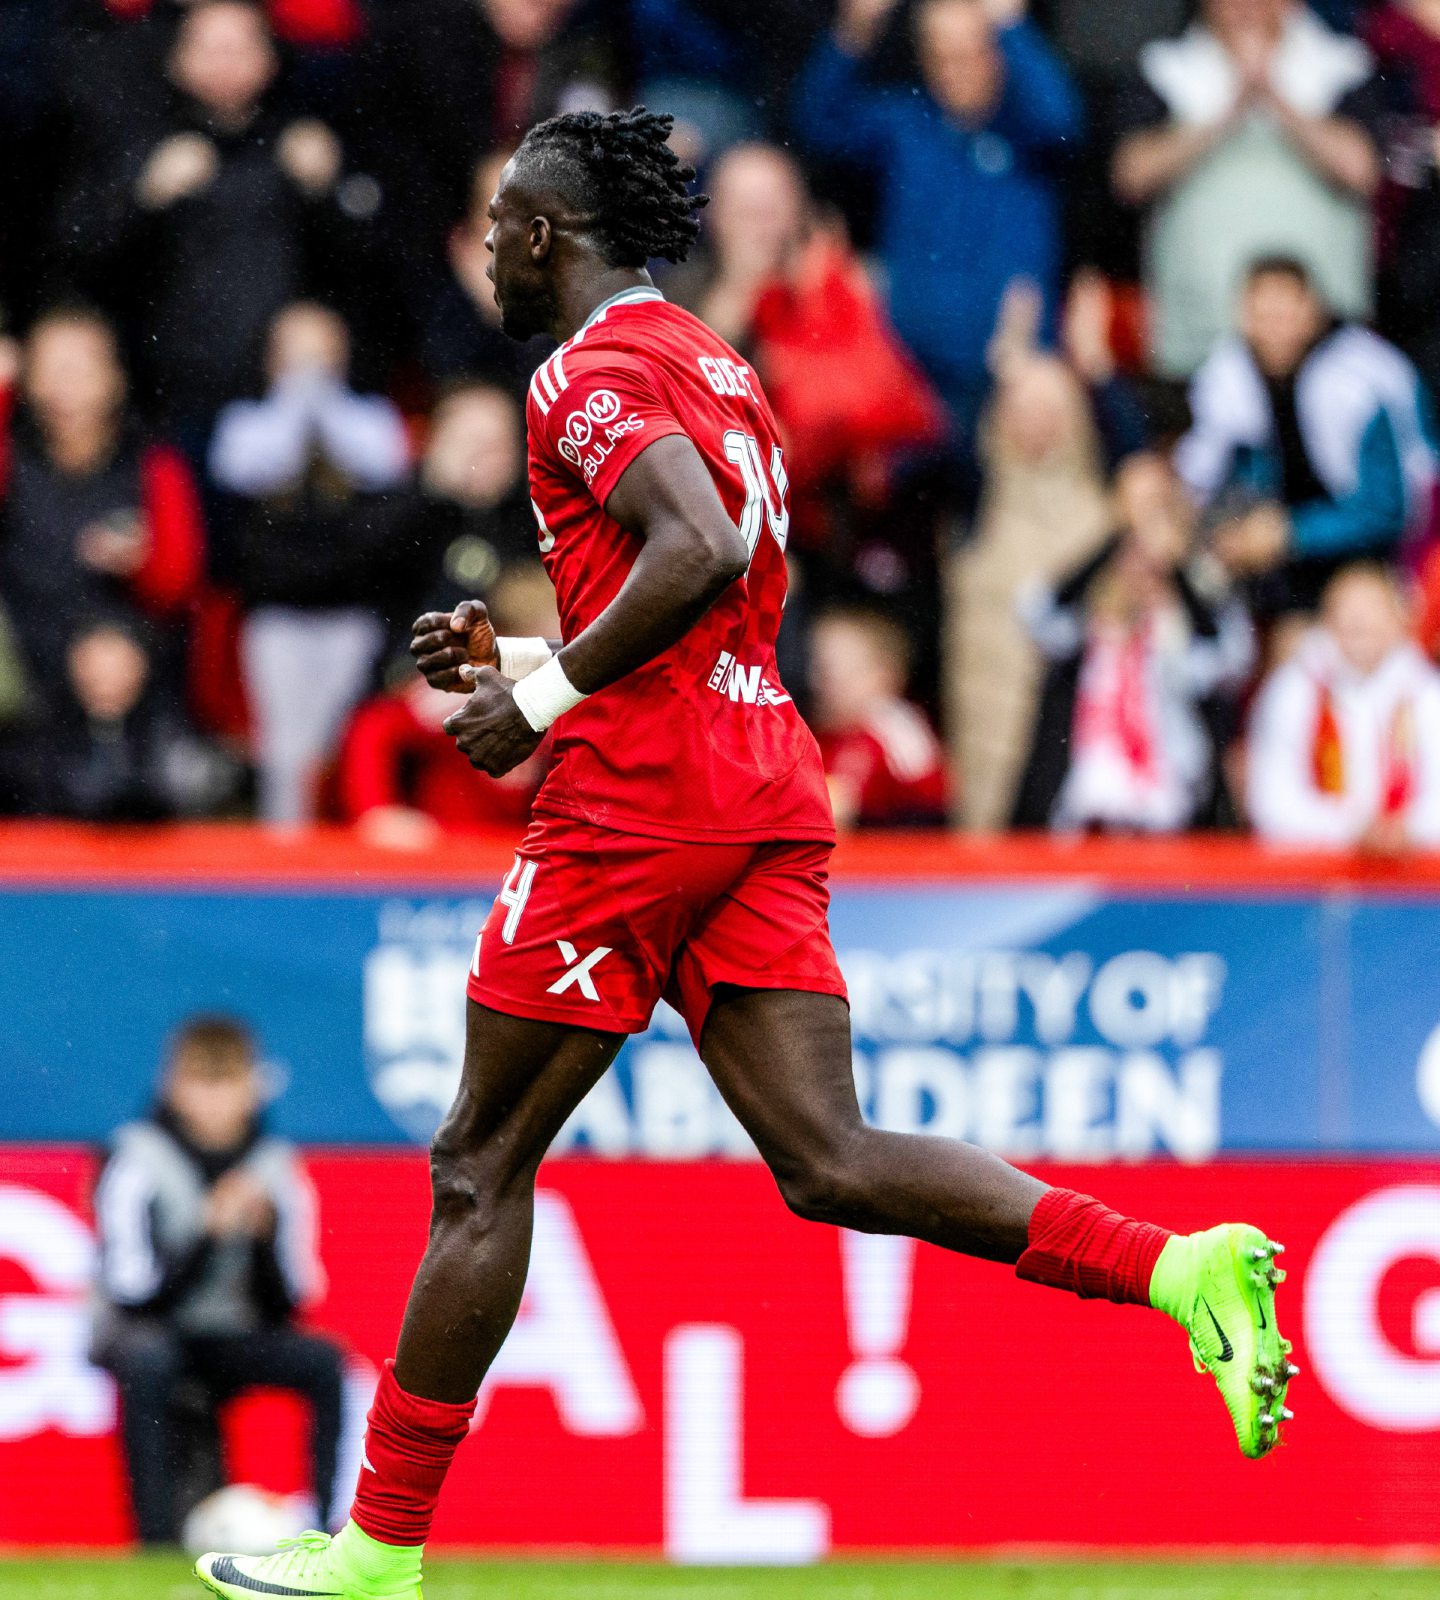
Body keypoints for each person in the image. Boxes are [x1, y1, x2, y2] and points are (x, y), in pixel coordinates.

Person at [194, 108, 1295, 1600]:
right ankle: (1175, 1266)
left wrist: (542, 690)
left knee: (476, 1166)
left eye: (499, 221)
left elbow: (696, 550)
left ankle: (379, 1549)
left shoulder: (582, 370)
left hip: (634, 804)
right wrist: (537, 641)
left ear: (545, 232)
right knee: (828, 1158)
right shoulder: (717, 363)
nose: (485, 251)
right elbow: (707, 599)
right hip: (753, 779)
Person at [91, 1016, 343, 1547]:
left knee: (323, 1362)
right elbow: (133, 1293)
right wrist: (207, 1234)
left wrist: (261, 1236)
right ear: (173, 1087)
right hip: (152, 1333)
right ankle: (155, 1540)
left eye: (227, 1085)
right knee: (148, 1359)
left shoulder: (277, 1166)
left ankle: (327, 1531)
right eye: (201, 1085)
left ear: (252, 1088)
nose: (215, 1103)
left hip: (233, 1334)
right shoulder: (135, 1156)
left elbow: (290, 1302)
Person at [793, 0, 1083, 443]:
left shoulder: (1027, 129)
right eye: (940, 54)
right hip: (913, 382)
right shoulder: (906, 123)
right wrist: (855, 29)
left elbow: (1064, 118)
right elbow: (818, 122)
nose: (955, 69)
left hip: (1012, 382)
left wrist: (1009, 24)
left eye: (971, 52)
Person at [212, 303, 411, 827]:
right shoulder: (249, 420)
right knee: (285, 751)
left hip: (351, 611)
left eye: (319, 354)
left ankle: (341, 863)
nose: (308, 367)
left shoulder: (367, 417)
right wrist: (297, 401)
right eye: (295, 354)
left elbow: (384, 463)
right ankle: (287, 862)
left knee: (341, 745)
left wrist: (322, 402)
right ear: (272, 358)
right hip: (277, 614)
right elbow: (246, 468)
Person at [1110, 0, 1385, 377]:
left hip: (1324, 346)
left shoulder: (1344, 64)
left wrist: (1273, 92)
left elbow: (1362, 170)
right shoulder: (1165, 68)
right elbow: (1131, 175)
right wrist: (1231, 104)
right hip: (1200, 342)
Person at [1176, 257, 1439, 617]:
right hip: (1280, 558)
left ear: (1312, 309)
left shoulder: (1361, 383)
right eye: (1261, 317)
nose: (1273, 332)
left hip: (1387, 558)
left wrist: (1292, 534)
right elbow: (1202, 476)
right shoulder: (1229, 376)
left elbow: (1388, 512)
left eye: (1283, 314)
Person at [1011, 453, 1255, 831]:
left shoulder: (1200, 602)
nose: (1145, 527)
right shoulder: (1083, 614)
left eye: (1158, 508)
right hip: (1078, 820)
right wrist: (1113, 543)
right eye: (1132, 510)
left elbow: (1223, 660)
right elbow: (1037, 614)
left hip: (1173, 821)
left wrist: (1176, 570)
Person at [0, 306, 204, 691]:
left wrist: (141, 562)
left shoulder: (155, 465)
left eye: (79, 367)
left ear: (115, 377)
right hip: (26, 681)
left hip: (131, 685)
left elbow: (177, 590)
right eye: (50, 367)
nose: (65, 385)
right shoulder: (13, 457)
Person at [1247, 563, 1440, 848]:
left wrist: (1405, 831)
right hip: (1313, 871)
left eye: (1372, 608)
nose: (1359, 620)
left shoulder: (1426, 692)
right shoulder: (1292, 688)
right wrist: (1352, 829)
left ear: (1400, 619)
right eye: (1347, 608)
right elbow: (1271, 801)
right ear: (1326, 619)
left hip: (1410, 874)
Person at [0, 616, 239, 822]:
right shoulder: (41, 737)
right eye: (94, 666)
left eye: (117, 667)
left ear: (141, 667)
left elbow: (189, 788)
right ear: (74, 666)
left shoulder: (168, 732)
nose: (105, 680)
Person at [809, 608, 949, 828]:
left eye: (840, 674)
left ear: (884, 676)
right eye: (819, 672)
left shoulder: (890, 726)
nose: (823, 685)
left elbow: (835, 808)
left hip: (905, 848)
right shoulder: (824, 730)